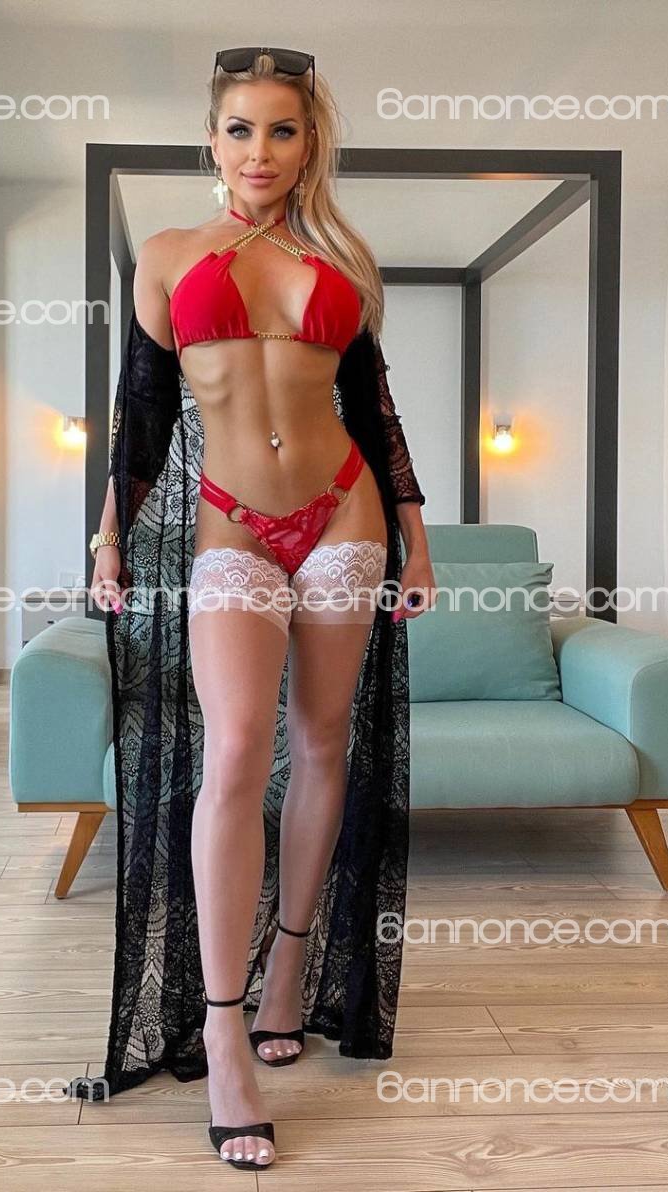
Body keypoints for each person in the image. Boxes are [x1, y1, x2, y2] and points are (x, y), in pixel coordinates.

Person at [82, 46, 436, 1171]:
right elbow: (142, 411)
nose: (261, 151)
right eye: (241, 129)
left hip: (346, 511)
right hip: (232, 524)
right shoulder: (167, 256)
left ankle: (290, 965)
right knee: (236, 749)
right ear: (213, 137)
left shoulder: (342, 260)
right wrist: (107, 534)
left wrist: (417, 535)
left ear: (309, 142)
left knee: (322, 741)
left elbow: (373, 407)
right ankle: (223, 1026)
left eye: (283, 130)